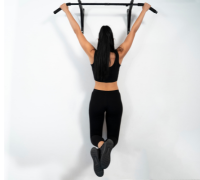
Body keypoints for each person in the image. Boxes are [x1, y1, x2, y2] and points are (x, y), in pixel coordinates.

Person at [60, 2, 151, 177]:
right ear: (112, 40)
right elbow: (133, 32)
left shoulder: (92, 53)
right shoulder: (120, 53)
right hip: (114, 98)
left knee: (95, 135)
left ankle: (100, 147)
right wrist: (144, 10)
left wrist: (66, 10)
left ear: (100, 39)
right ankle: (107, 145)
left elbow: (77, 32)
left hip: (97, 98)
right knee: (113, 138)